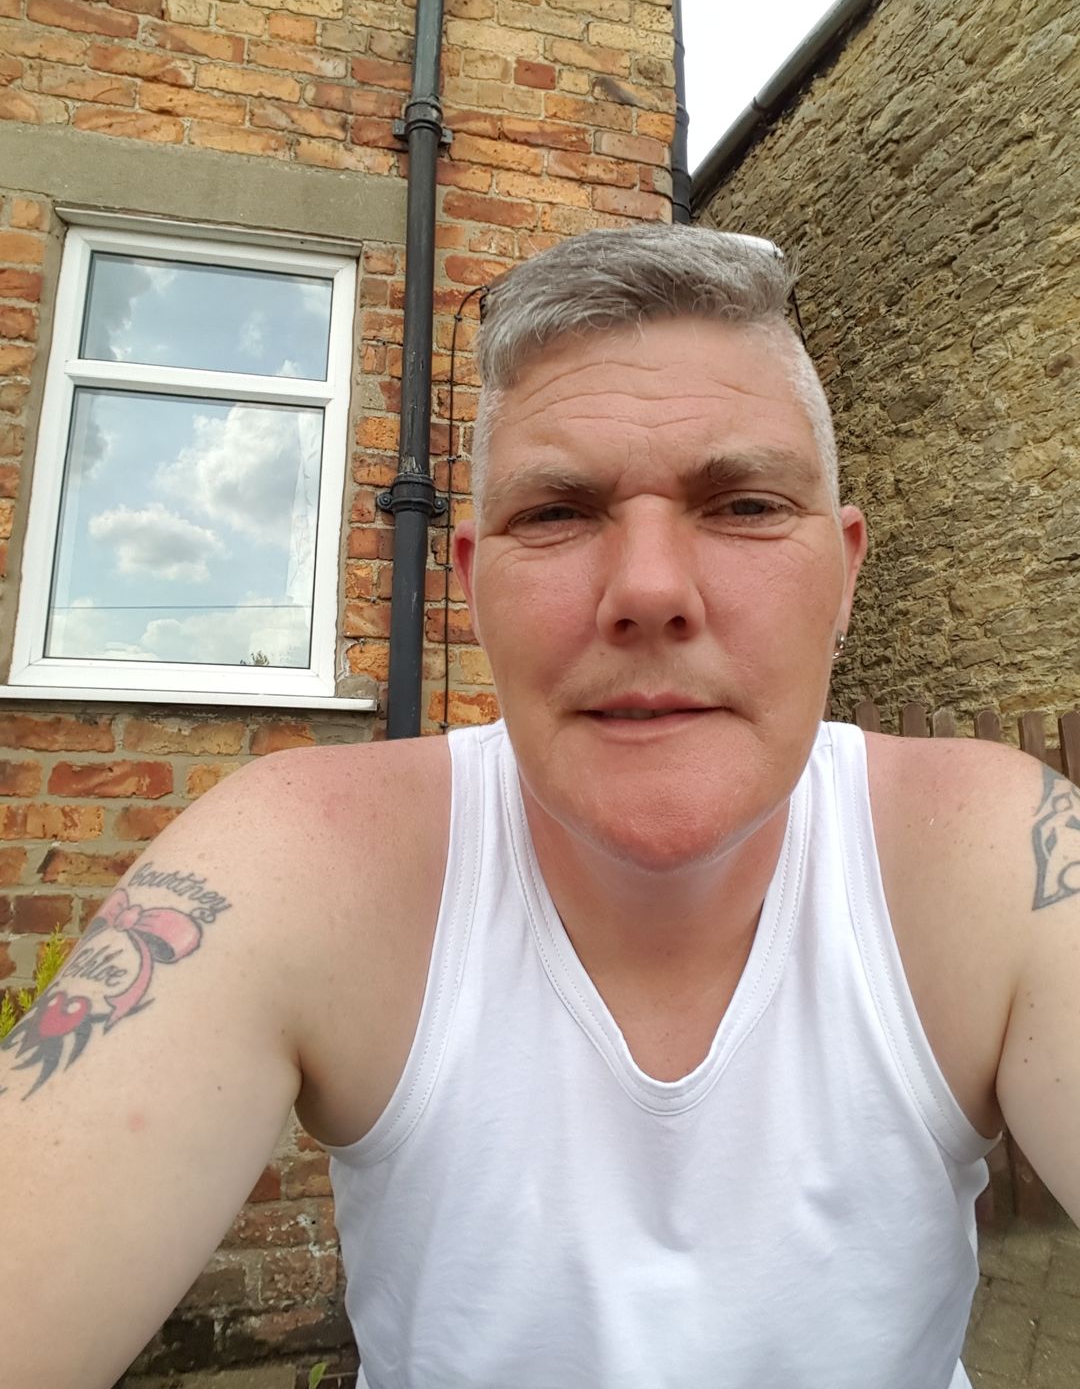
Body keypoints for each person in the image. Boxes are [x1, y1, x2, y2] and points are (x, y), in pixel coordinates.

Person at [3, 225, 1078, 1389]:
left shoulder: (993, 859)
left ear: (846, 572)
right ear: (474, 590)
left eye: (744, 505)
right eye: (558, 514)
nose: (651, 589)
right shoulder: (304, 865)